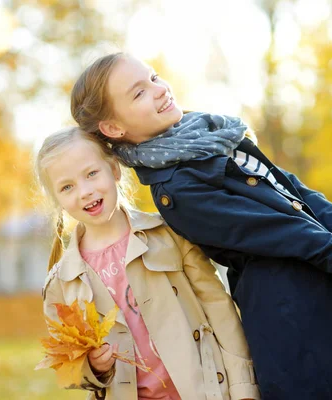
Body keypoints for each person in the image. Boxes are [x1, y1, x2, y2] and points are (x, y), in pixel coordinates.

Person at [69, 52, 332, 400]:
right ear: (114, 128)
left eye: (154, 77)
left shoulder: (212, 138)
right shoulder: (178, 190)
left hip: (321, 297)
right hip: (292, 318)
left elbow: (291, 188)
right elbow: (282, 230)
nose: (159, 89)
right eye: (139, 93)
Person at [35, 127, 260, 400]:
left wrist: (242, 388)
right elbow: (68, 364)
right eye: (67, 186)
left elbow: (218, 308)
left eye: (92, 174)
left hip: (205, 391)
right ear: (57, 199)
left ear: (114, 170)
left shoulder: (170, 233)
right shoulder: (62, 282)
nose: (84, 191)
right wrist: (92, 366)